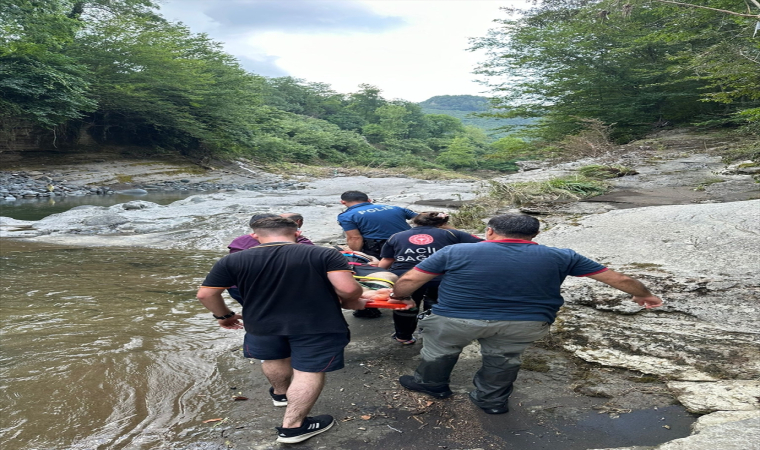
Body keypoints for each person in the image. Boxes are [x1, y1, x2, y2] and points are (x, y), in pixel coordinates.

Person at [390, 213, 663, 415]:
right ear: (533, 236)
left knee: (439, 349)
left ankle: (432, 385)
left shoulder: (456, 251)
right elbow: (618, 279)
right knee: (504, 358)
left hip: (456, 319)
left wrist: (399, 296)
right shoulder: (562, 255)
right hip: (526, 322)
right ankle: (492, 402)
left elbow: (412, 280)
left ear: (489, 231)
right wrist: (644, 295)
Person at [197, 217, 367, 443]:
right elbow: (347, 289)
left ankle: (280, 394)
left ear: (254, 236)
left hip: (261, 323)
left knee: (274, 358)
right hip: (316, 324)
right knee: (308, 371)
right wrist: (353, 298)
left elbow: (206, 294)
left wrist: (225, 316)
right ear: (297, 233)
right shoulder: (322, 254)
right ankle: (293, 427)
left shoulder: (233, 260)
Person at [378, 212, 482, 345]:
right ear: (442, 223)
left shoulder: (396, 236)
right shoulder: (452, 234)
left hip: (405, 277)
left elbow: (387, 260)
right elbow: (483, 244)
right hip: (439, 277)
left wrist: (379, 278)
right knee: (434, 303)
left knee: (404, 305)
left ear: (415, 222)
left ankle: (403, 337)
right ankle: (430, 334)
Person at [337, 191, 418, 318]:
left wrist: (357, 254)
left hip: (377, 247)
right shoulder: (394, 208)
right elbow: (421, 218)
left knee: (370, 274)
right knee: (408, 269)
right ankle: (411, 297)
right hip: (408, 243)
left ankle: (369, 309)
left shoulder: (346, 216)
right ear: (369, 200)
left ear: (343, 202)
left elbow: (355, 238)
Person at [226, 212, 314, 304]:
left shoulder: (240, 240)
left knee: (254, 310)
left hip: (238, 286)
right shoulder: (297, 239)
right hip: (273, 284)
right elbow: (310, 256)